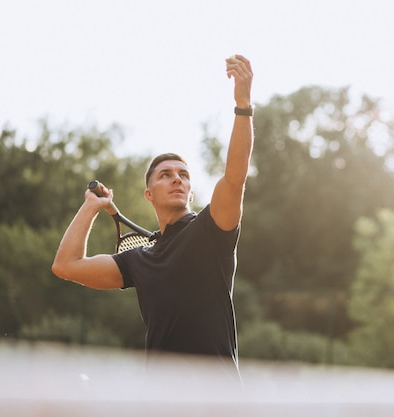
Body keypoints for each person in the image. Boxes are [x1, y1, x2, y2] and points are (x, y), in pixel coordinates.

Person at [51, 55, 253, 384]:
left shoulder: (211, 230)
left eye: (183, 175)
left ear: (190, 191)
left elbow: (234, 177)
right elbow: (66, 265)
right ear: (149, 194)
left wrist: (243, 105)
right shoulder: (138, 261)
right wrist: (91, 206)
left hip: (218, 399)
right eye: (165, 175)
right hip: (160, 400)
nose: (176, 179)